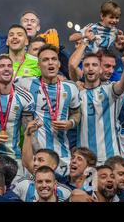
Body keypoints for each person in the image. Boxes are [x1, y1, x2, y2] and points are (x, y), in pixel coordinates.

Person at [16, 44, 81, 176]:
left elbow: (76, 113)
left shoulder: (71, 88)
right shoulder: (25, 83)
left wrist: (70, 123)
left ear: (58, 64)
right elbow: (3, 81)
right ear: (39, 66)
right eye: (45, 60)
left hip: (63, 157)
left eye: (53, 59)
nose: (50, 62)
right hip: (36, 158)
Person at [77, 52, 124, 165]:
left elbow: (122, 84)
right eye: (87, 65)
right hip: (84, 159)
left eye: (94, 65)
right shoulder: (75, 92)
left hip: (109, 157)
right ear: (82, 69)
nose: (90, 68)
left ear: (100, 69)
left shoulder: (109, 90)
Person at [20, 11, 71, 78]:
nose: (29, 23)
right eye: (26, 21)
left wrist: (57, 49)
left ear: (38, 27)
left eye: (33, 21)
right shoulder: (8, 45)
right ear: (20, 26)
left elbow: (68, 69)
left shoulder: (49, 44)